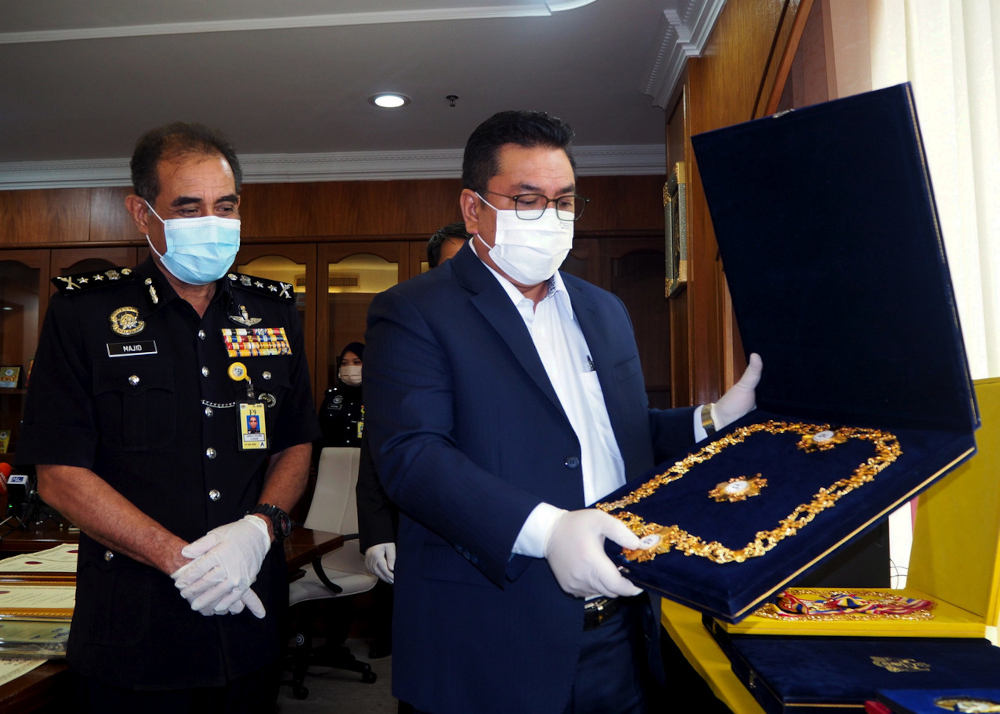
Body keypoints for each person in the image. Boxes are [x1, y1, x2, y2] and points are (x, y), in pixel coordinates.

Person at [364, 110, 762, 714]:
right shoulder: (415, 311)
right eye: (527, 200)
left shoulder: (605, 310)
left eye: (565, 200)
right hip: (489, 637)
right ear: (474, 209)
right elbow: (412, 458)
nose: (549, 217)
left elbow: (616, 438)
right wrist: (549, 531)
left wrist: (711, 421)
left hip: (619, 631)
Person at [16, 122, 319, 712]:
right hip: (134, 630)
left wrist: (259, 530)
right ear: (141, 213)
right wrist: (182, 560)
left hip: (249, 620)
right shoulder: (85, 315)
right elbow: (58, 473)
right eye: (188, 207)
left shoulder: (274, 313)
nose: (213, 222)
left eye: (225, 206)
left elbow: (294, 441)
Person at [356, 224, 471, 663]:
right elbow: (378, 446)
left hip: (498, 532)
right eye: (453, 266)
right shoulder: (405, 331)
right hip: (421, 529)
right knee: (428, 661)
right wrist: (377, 533)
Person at [317, 342, 365, 448]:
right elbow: (319, 435)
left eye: (357, 362)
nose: (350, 367)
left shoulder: (376, 399)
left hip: (365, 462)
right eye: (344, 363)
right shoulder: (332, 397)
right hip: (332, 461)